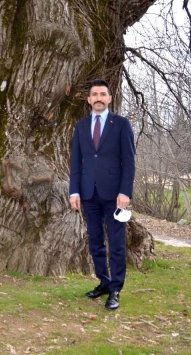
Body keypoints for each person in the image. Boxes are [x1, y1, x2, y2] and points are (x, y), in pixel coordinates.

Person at [69, 79, 135, 310]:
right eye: (94, 94)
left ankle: (116, 289)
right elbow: (76, 162)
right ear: (89, 99)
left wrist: (125, 192)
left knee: (116, 243)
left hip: (116, 196)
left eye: (103, 94)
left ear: (109, 98)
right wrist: (74, 191)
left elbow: (129, 162)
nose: (98, 98)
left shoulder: (122, 124)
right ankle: (104, 282)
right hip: (89, 194)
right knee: (95, 242)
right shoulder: (81, 127)